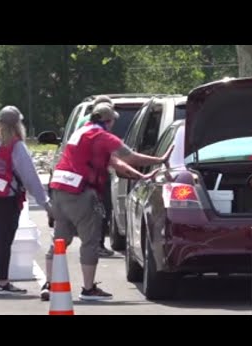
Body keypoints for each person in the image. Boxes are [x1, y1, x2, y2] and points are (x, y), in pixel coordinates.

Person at [40, 103, 173, 301]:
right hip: (81, 192)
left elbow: (114, 162)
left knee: (60, 239)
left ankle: (50, 284)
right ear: (108, 121)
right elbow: (130, 157)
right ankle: (88, 289)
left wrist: (139, 176)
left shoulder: (81, 132)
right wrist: (160, 159)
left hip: (59, 188)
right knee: (90, 241)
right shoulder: (102, 136)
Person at [0, 105, 53, 296]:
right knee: (3, 240)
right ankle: (3, 283)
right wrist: (45, 203)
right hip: (2, 197)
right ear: (17, 124)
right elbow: (29, 176)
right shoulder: (14, 144)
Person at [75, 95, 116, 257]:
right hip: (96, 172)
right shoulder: (97, 128)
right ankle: (96, 244)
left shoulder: (83, 122)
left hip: (85, 173)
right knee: (102, 208)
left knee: (90, 210)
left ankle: (91, 243)